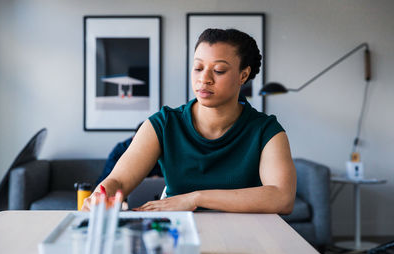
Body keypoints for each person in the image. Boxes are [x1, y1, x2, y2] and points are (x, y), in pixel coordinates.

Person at [82, 28, 296, 213]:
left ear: (243, 75)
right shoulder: (163, 124)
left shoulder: (267, 131)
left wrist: (195, 198)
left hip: (247, 233)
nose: (204, 79)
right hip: (179, 232)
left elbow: (282, 197)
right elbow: (118, 180)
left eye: (219, 70)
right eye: (198, 67)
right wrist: (102, 195)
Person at [95, 122, 162, 186]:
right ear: (134, 138)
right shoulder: (119, 151)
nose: (147, 147)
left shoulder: (158, 148)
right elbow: (107, 179)